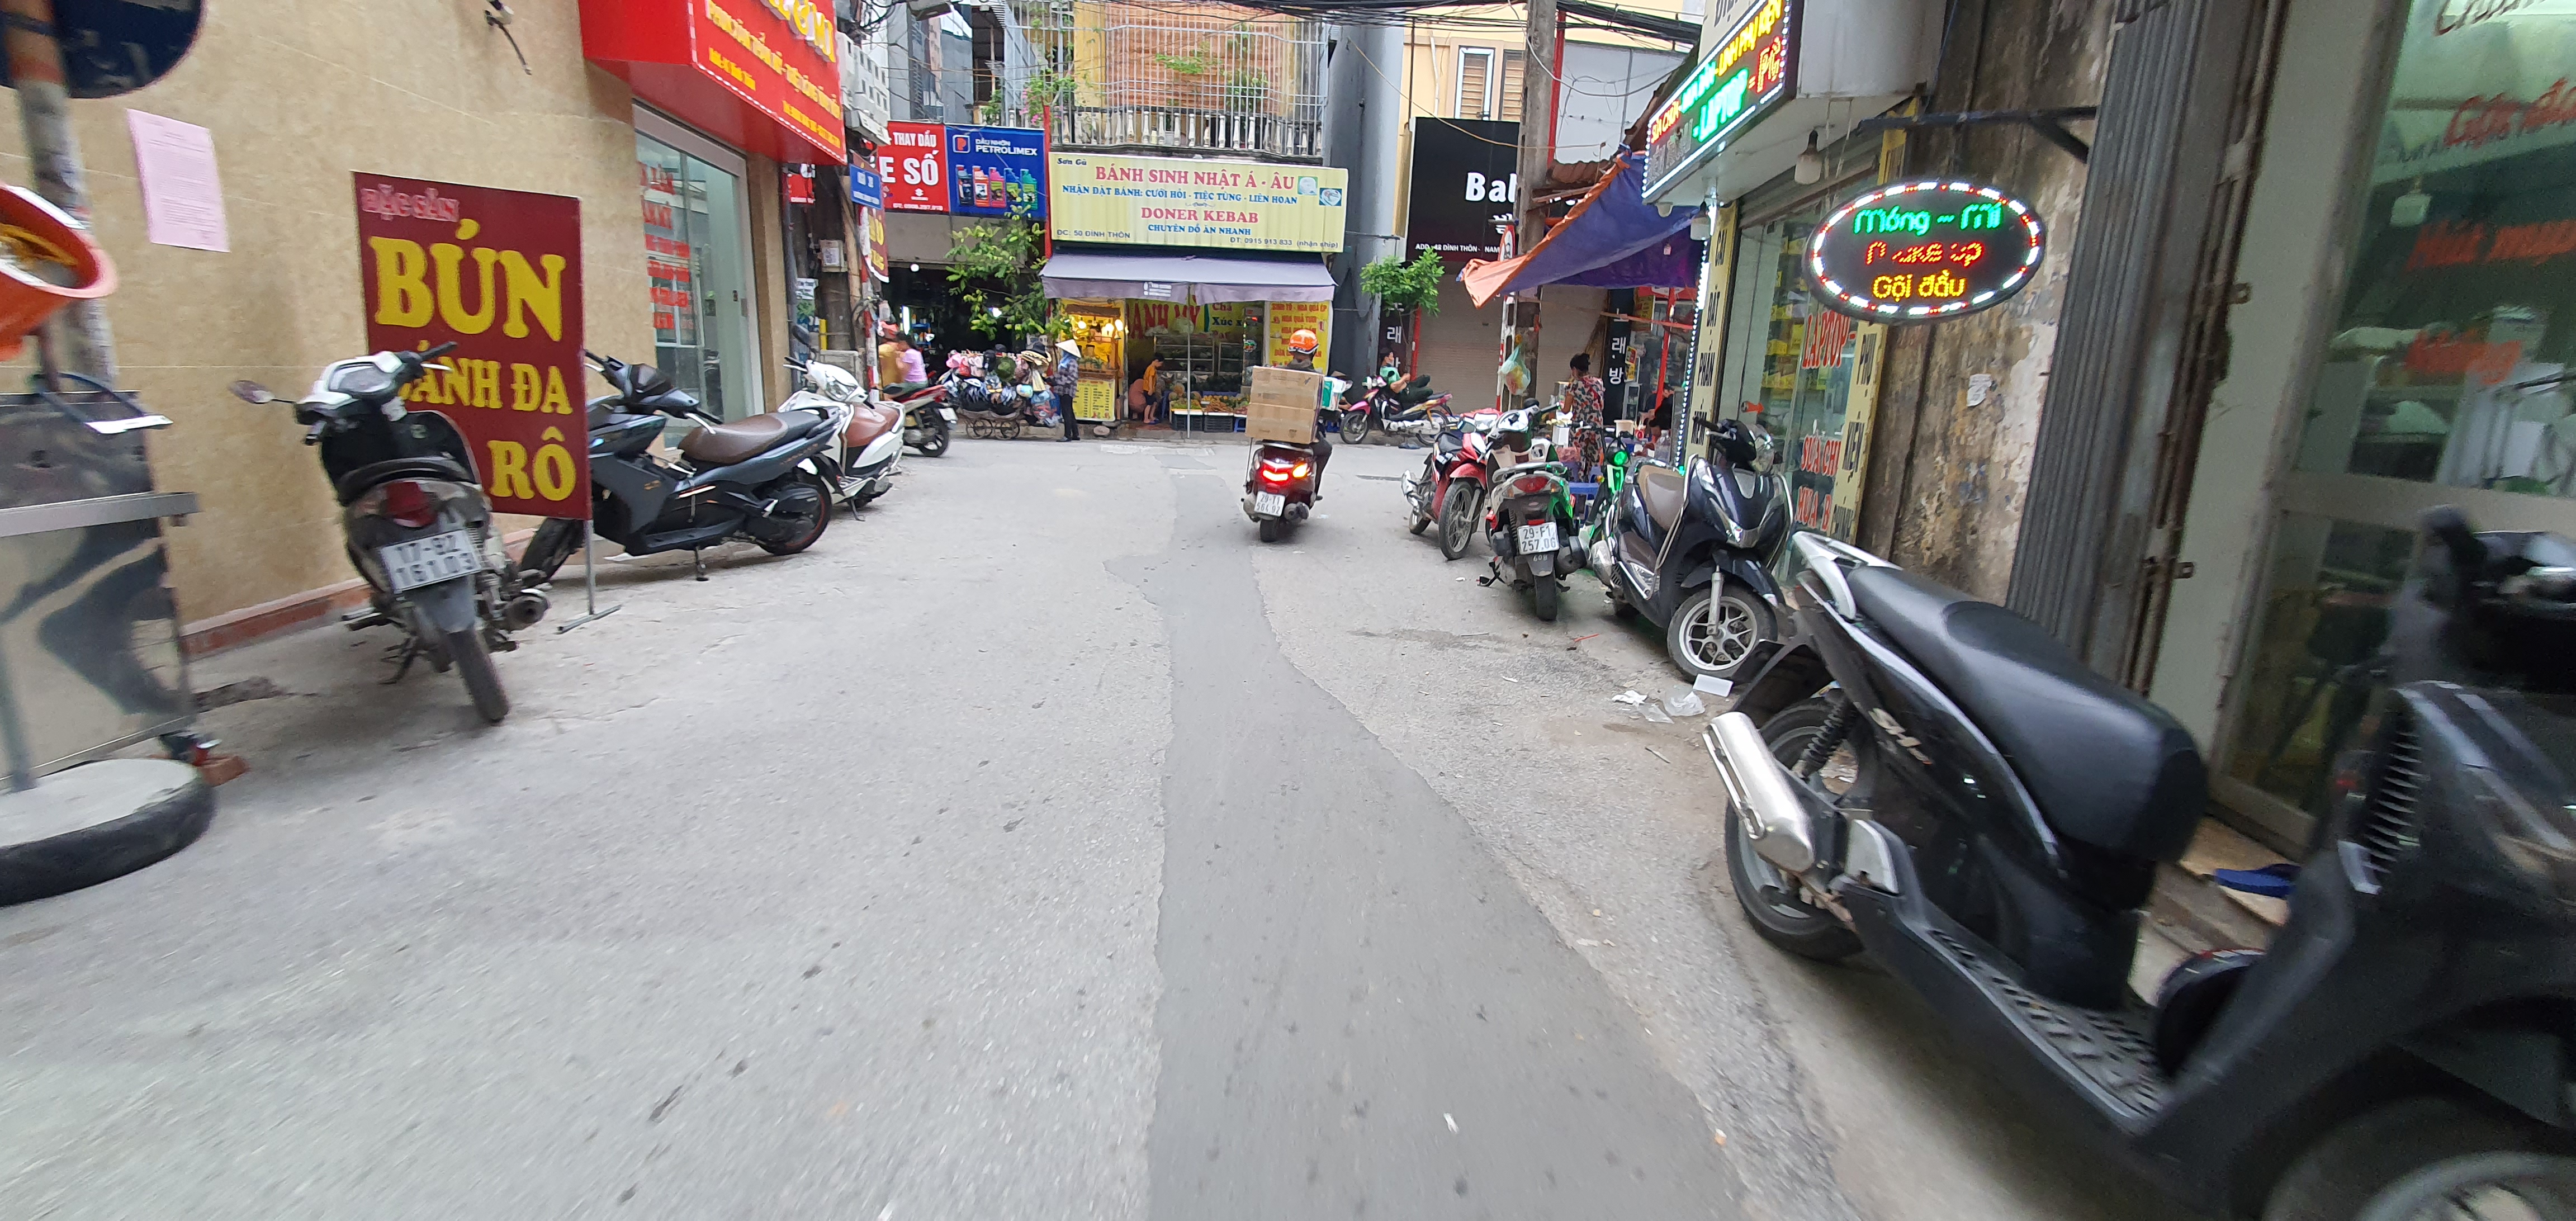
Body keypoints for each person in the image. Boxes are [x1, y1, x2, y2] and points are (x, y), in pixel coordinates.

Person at [1561, 352, 1606, 481]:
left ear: (1575, 370)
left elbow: (1566, 410)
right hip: (1596, 427)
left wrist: (1561, 406)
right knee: (1595, 461)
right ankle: (1593, 484)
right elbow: (1601, 405)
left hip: (1579, 428)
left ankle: (1577, 485)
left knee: (1577, 460)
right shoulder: (1599, 383)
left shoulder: (1574, 386)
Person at [1050, 338, 1082, 441]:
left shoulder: (1072, 362)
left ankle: (1067, 435)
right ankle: (1075, 434)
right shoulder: (1065, 361)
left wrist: (1058, 382)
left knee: (1066, 412)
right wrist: (1051, 379)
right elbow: (1060, 375)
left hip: (1068, 390)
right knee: (1070, 411)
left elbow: (1071, 378)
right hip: (1062, 390)